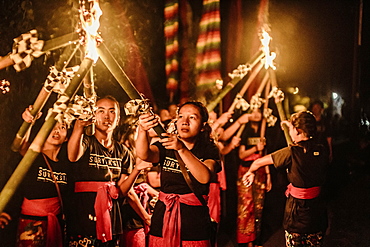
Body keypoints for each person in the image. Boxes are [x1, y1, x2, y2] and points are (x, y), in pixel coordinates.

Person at [66, 96, 151, 247]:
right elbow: (73, 157)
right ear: (93, 115)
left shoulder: (123, 152)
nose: (106, 116)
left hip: (111, 216)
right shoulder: (86, 142)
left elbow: (124, 190)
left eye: (112, 111)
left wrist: (137, 169)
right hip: (83, 212)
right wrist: (79, 128)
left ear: (118, 119)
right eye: (101, 111)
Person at [135, 101, 221, 247]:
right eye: (181, 117)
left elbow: (204, 177)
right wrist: (142, 129)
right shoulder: (166, 145)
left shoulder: (208, 149)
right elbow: (145, 154)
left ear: (203, 126)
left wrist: (182, 149)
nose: (185, 122)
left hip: (193, 221)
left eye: (192, 118)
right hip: (163, 216)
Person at [243, 111, 329, 247]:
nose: (290, 133)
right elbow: (305, 145)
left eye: (291, 130)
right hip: (317, 212)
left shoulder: (291, 153)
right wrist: (291, 126)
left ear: (298, 130)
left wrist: (251, 172)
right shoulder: (322, 150)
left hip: (298, 215)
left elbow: (258, 162)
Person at [0, 105, 70, 247]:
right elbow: (21, 145)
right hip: (29, 223)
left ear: (67, 136)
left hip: (55, 225)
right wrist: (29, 121)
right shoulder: (32, 155)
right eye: (52, 126)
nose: (56, 130)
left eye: (62, 127)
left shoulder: (67, 165)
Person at [237, 108, 271, 247]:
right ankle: (246, 240)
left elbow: (266, 156)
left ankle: (256, 240)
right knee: (246, 206)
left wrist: (268, 175)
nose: (256, 114)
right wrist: (255, 148)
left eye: (259, 111)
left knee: (259, 206)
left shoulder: (264, 131)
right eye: (253, 111)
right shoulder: (245, 131)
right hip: (245, 171)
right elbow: (241, 155)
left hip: (261, 172)